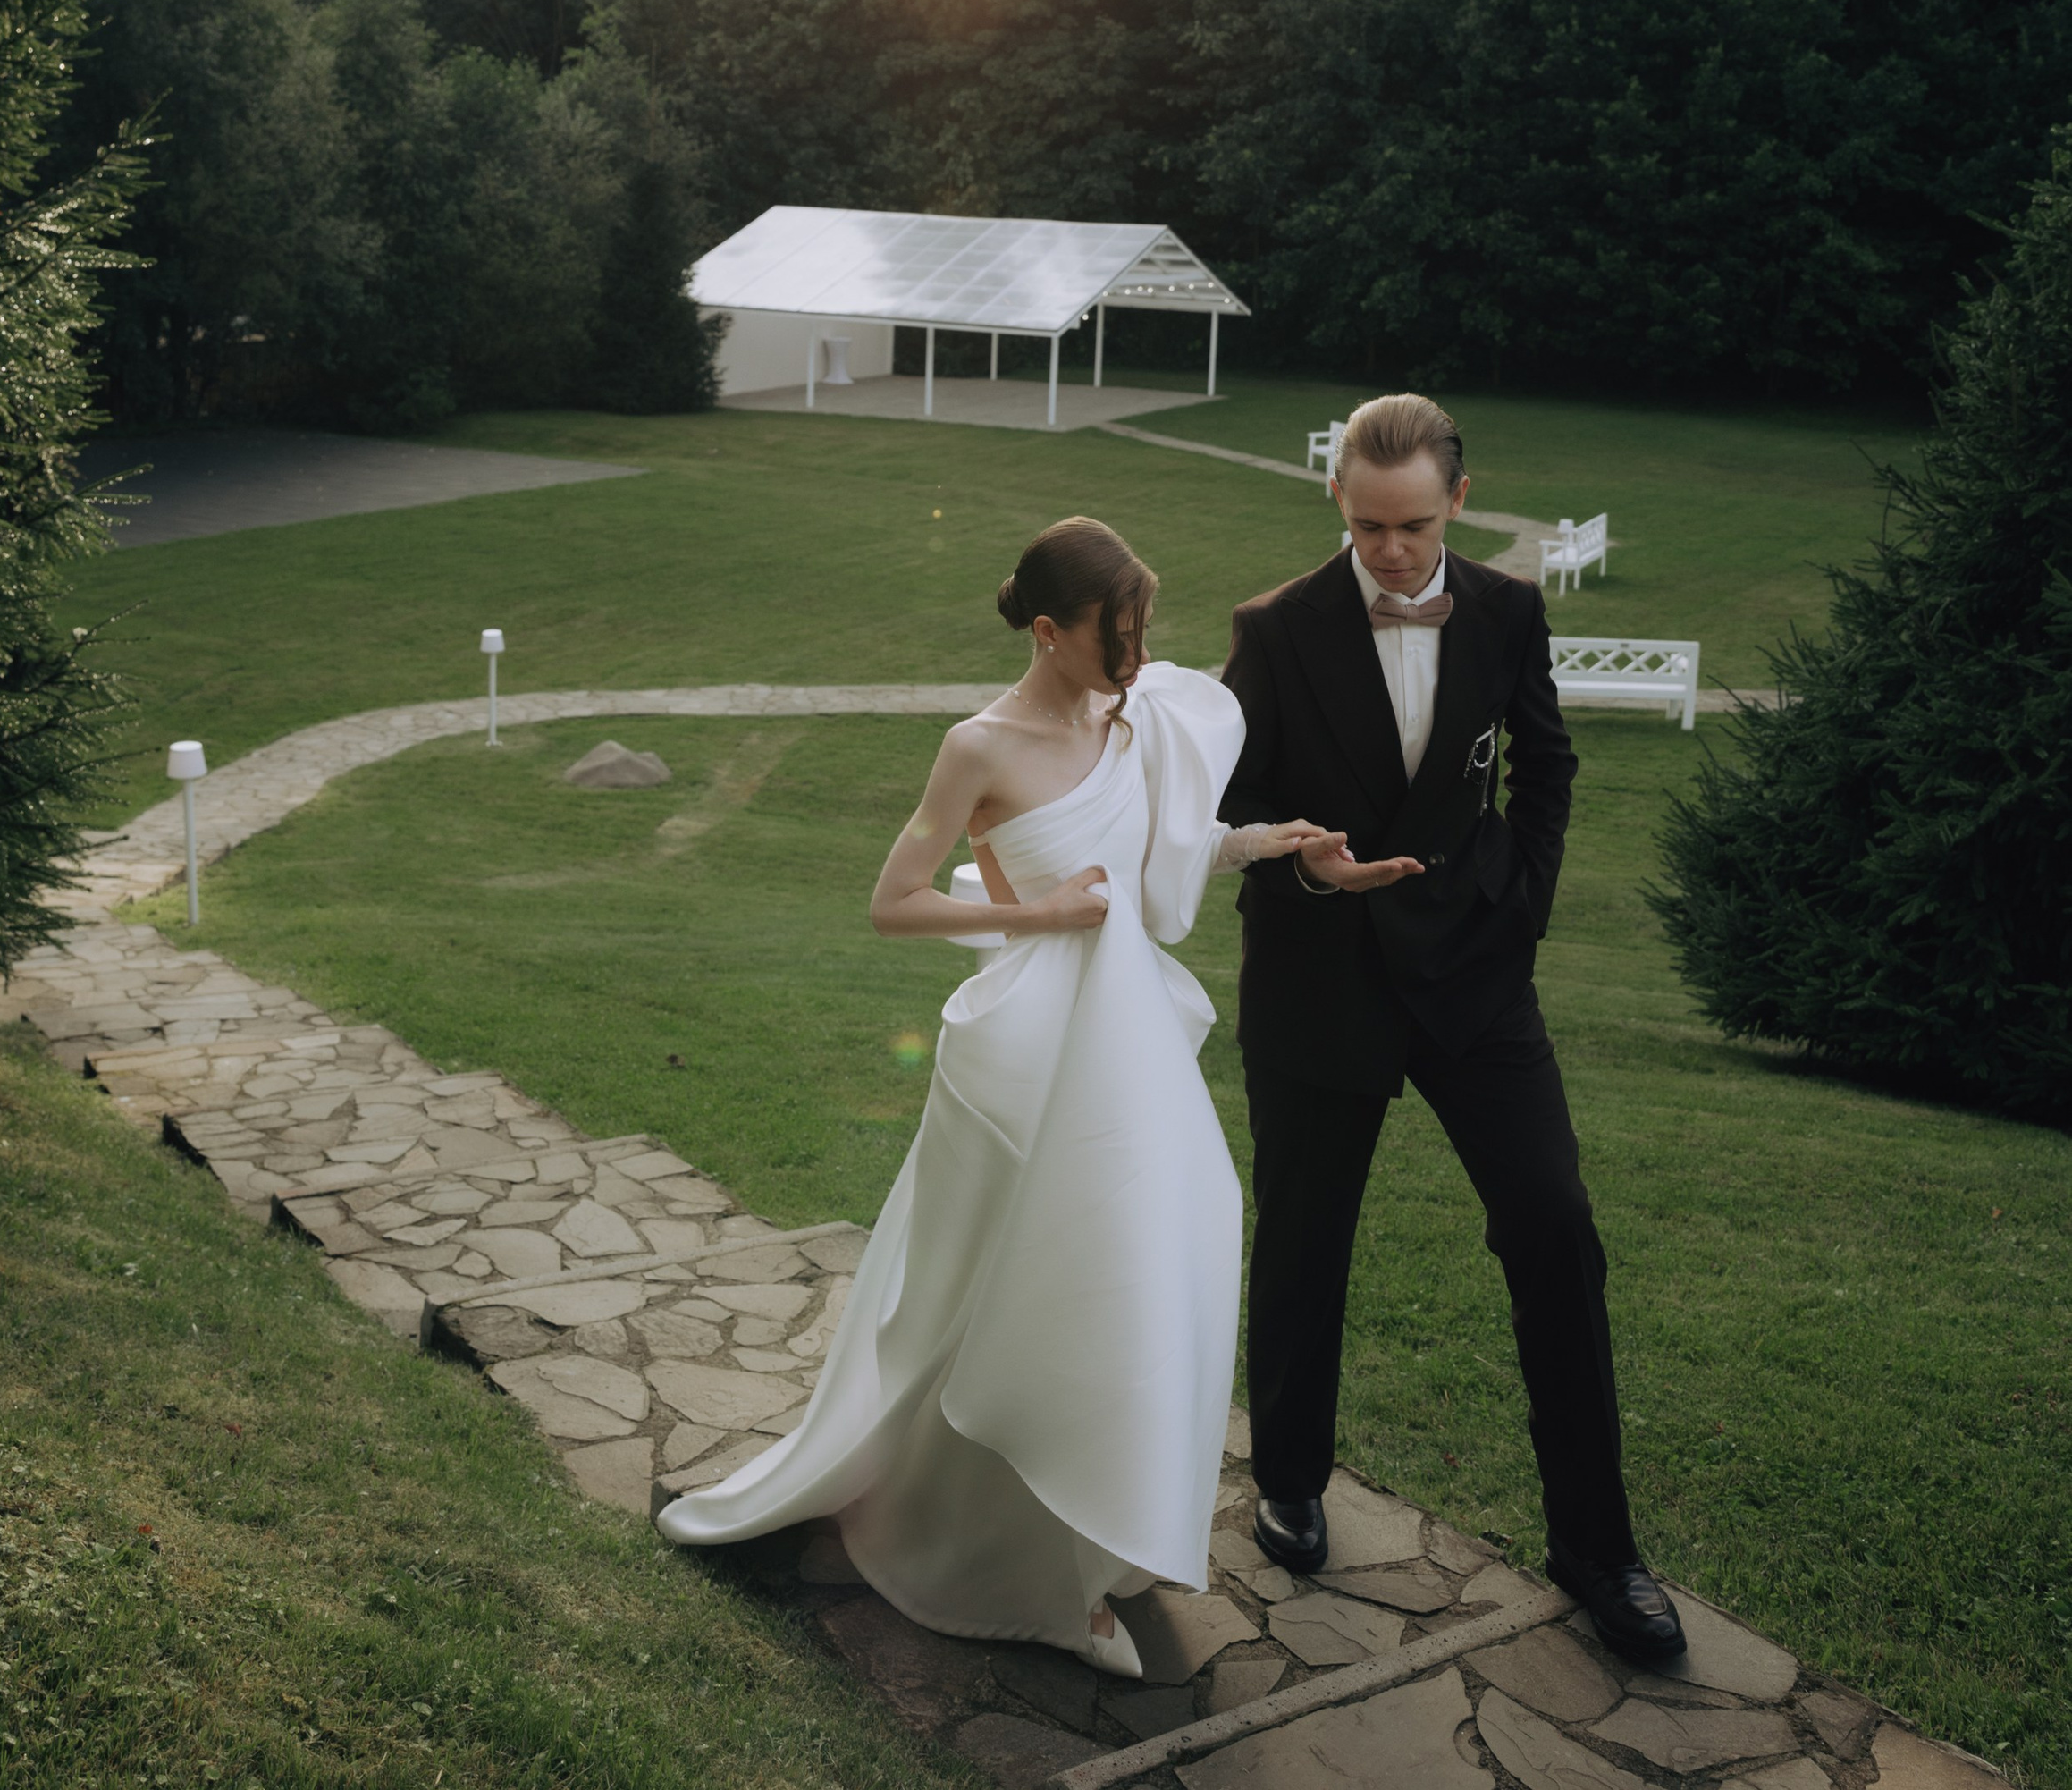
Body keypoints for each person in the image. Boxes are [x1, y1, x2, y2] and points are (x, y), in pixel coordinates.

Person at [657, 515, 1323, 1674]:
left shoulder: (1136, 716)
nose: (1135, 656)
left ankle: (1090, 1543)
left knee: (1141, 1267)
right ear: (1051, 629)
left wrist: (1267, 843)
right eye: (1114, 638)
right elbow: (895, 901)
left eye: (1144, 632)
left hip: (1130, 1047)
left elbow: (1166, 846)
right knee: (995, 1292)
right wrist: (1035, 914)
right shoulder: (980, 747)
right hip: (1027, 1043)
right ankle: (995, 1556)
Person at [1221, 393, 1688, 1667]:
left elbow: (1549, 765)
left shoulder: (1507, 610)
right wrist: (1310, 866)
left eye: (1413, 526)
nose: (1390, 552)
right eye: (1368, 527)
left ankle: (1603, 1553)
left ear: (1458, 504)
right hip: (1322, 980)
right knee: (1307, 1239)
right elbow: (1234, 806)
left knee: (1557, 1230)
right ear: (1338, 504)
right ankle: (1293, 1476)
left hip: (1479, 979)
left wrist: (1521, 907)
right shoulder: (1270, 633)